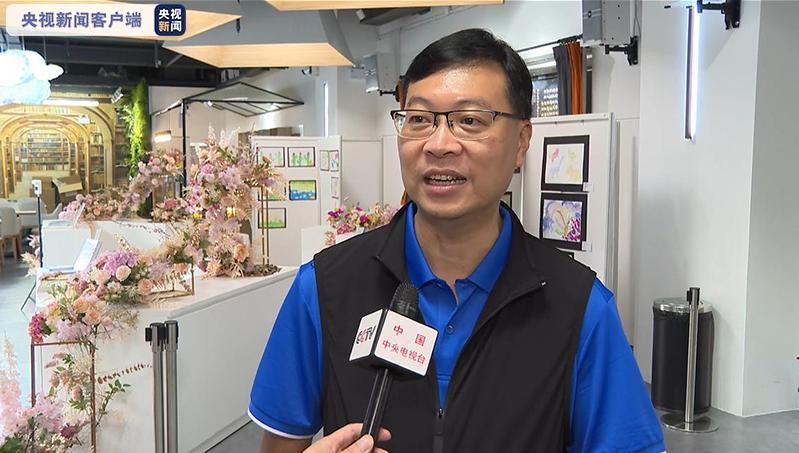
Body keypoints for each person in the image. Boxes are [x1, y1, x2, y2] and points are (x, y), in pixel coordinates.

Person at [250, 28, 665, 453]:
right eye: (419, 119)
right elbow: (281, 443)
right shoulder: (324, 287)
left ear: (521, 142)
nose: (439, 144)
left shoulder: (579, 306)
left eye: (470, 121)